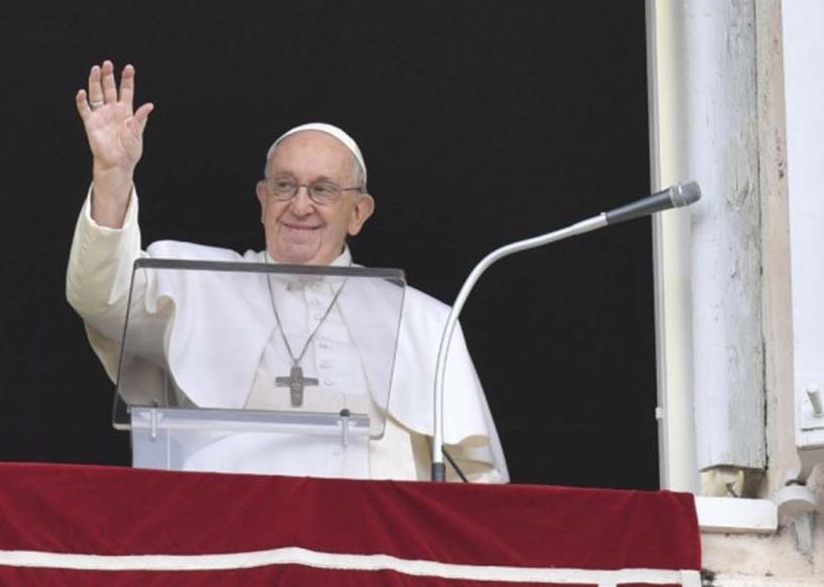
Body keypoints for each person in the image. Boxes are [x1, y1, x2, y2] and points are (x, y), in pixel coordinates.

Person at [66, 60, 507, 482]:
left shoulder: (424, 320)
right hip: (226, 533)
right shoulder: (194, 281)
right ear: (262, 199)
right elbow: (99, 296)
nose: (300, 205)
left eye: (322, 190)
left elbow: (477, 478)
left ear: (358, 212)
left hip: (370, 544)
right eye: (284, 185)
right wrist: (112, 175)